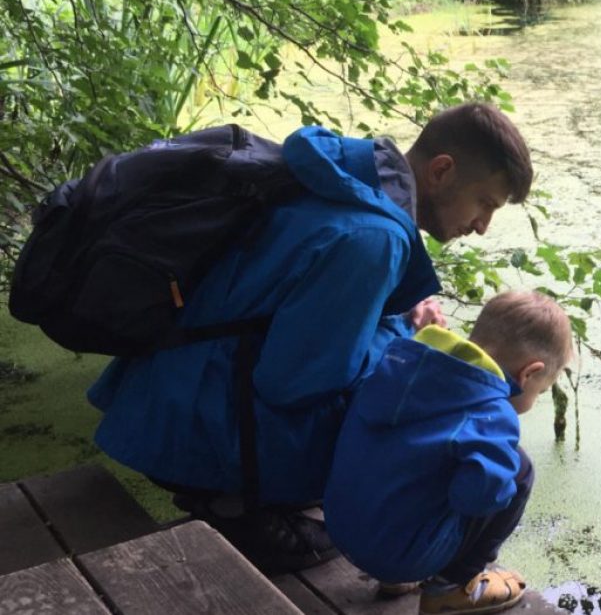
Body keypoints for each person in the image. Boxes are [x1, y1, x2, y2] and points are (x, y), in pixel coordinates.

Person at [85, 103, 533, 573]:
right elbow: (294, 382)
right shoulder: (374, 236)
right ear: (442, 171)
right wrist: (413, 354)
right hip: (196, 430)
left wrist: (396, 317)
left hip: (169, 394)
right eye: (485, 203)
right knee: (421, 415)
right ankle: (235, 504)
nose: (482, 226)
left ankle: (240, 494)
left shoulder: (344, 177)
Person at [323, 291, 573, 615]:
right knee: (519, 471)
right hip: (398, 554)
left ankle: (393, 575)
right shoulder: (492, 416)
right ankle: (450, 586)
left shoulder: (405, 359)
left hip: (339, 526)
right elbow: (477, 499)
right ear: (528, 374)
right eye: (539, 392)